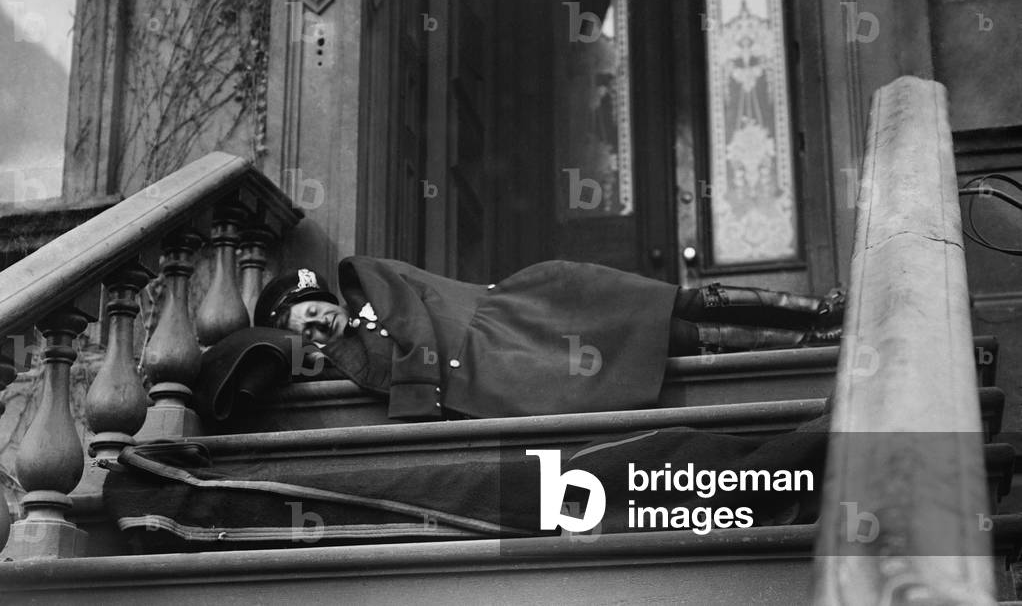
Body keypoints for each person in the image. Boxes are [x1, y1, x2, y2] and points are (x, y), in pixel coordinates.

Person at [245, 257, 842, 421]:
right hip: (521, 360)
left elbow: (415, 324)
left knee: (671, 303)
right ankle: (802, 347)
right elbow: (383, 372)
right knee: (678, 341)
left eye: (314, 313)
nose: (321, 326)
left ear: (320, 295)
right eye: (310, 333)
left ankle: (816, 313)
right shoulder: (357, 354)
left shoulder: (366, 280)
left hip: (532, 306)